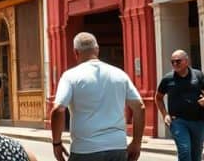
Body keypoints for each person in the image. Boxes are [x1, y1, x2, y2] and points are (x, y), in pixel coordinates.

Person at [50, 32, 144, 161]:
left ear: (76, 53)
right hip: (117, 148)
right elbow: (140, 107)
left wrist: (57, 143)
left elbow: (58, 110)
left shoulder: (70, 76)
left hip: (85, 149)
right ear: (97, 50)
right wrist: (136, 142)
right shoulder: (119, 74)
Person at [155, 49, 204, 161]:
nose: (175, 64)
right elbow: (158, 98)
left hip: (199, 121)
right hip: (178, 121)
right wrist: (165, 115)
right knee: (185, 151)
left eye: (178, 61)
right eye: (172, 62)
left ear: (186, 61)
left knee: (196, 155)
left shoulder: (198, 75)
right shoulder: (167, 79)